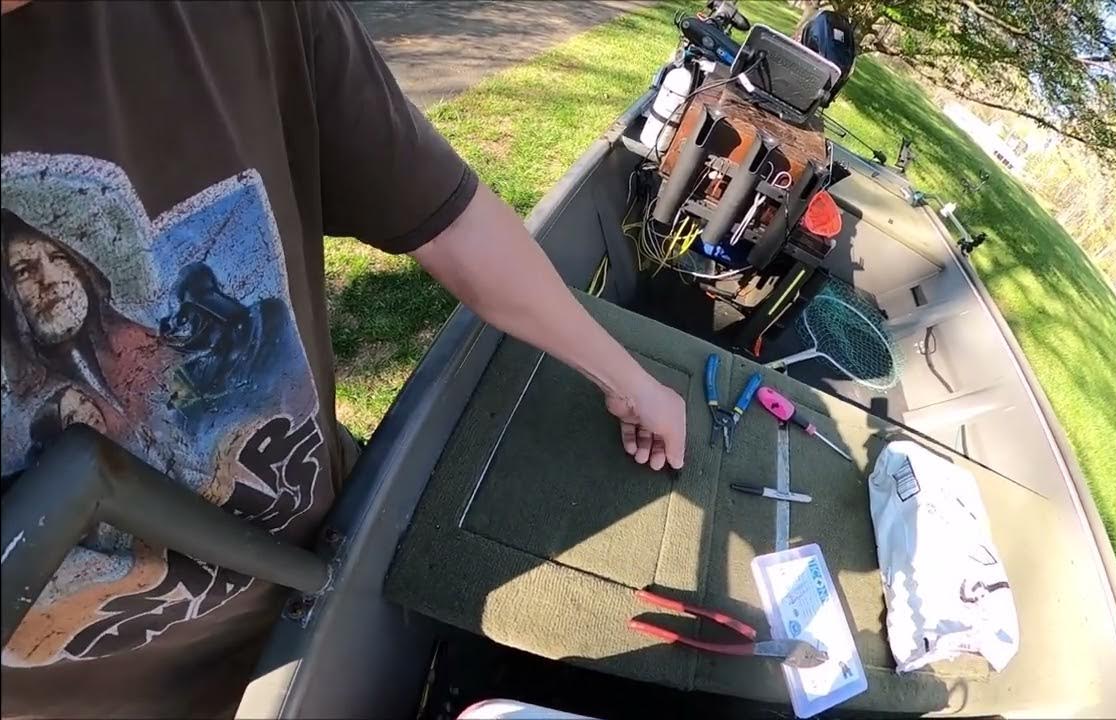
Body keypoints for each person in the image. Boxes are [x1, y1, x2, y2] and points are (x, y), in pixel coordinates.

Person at [0, 1, 688, 717]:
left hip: (340, 579)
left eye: (56, 263)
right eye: (25, 274)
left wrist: (625, 378)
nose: (46, 282)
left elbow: (447, 218)